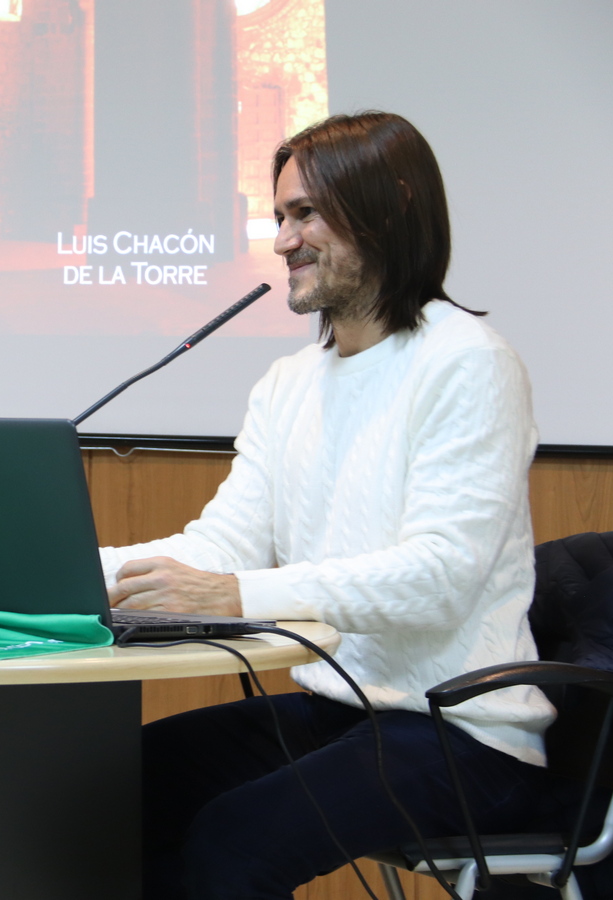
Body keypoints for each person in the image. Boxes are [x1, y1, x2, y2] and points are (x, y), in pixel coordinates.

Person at [100, 113, 558, 898]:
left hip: (460, 732)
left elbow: (440, 575)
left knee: (233, 843)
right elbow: (227, 542)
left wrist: (235, 596)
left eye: (305, 213)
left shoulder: (469, 364)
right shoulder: (289, 383)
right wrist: (77, 569)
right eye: (280, 217)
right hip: (342, 709)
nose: (282, 241)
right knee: (116, 790)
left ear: (388, 209)